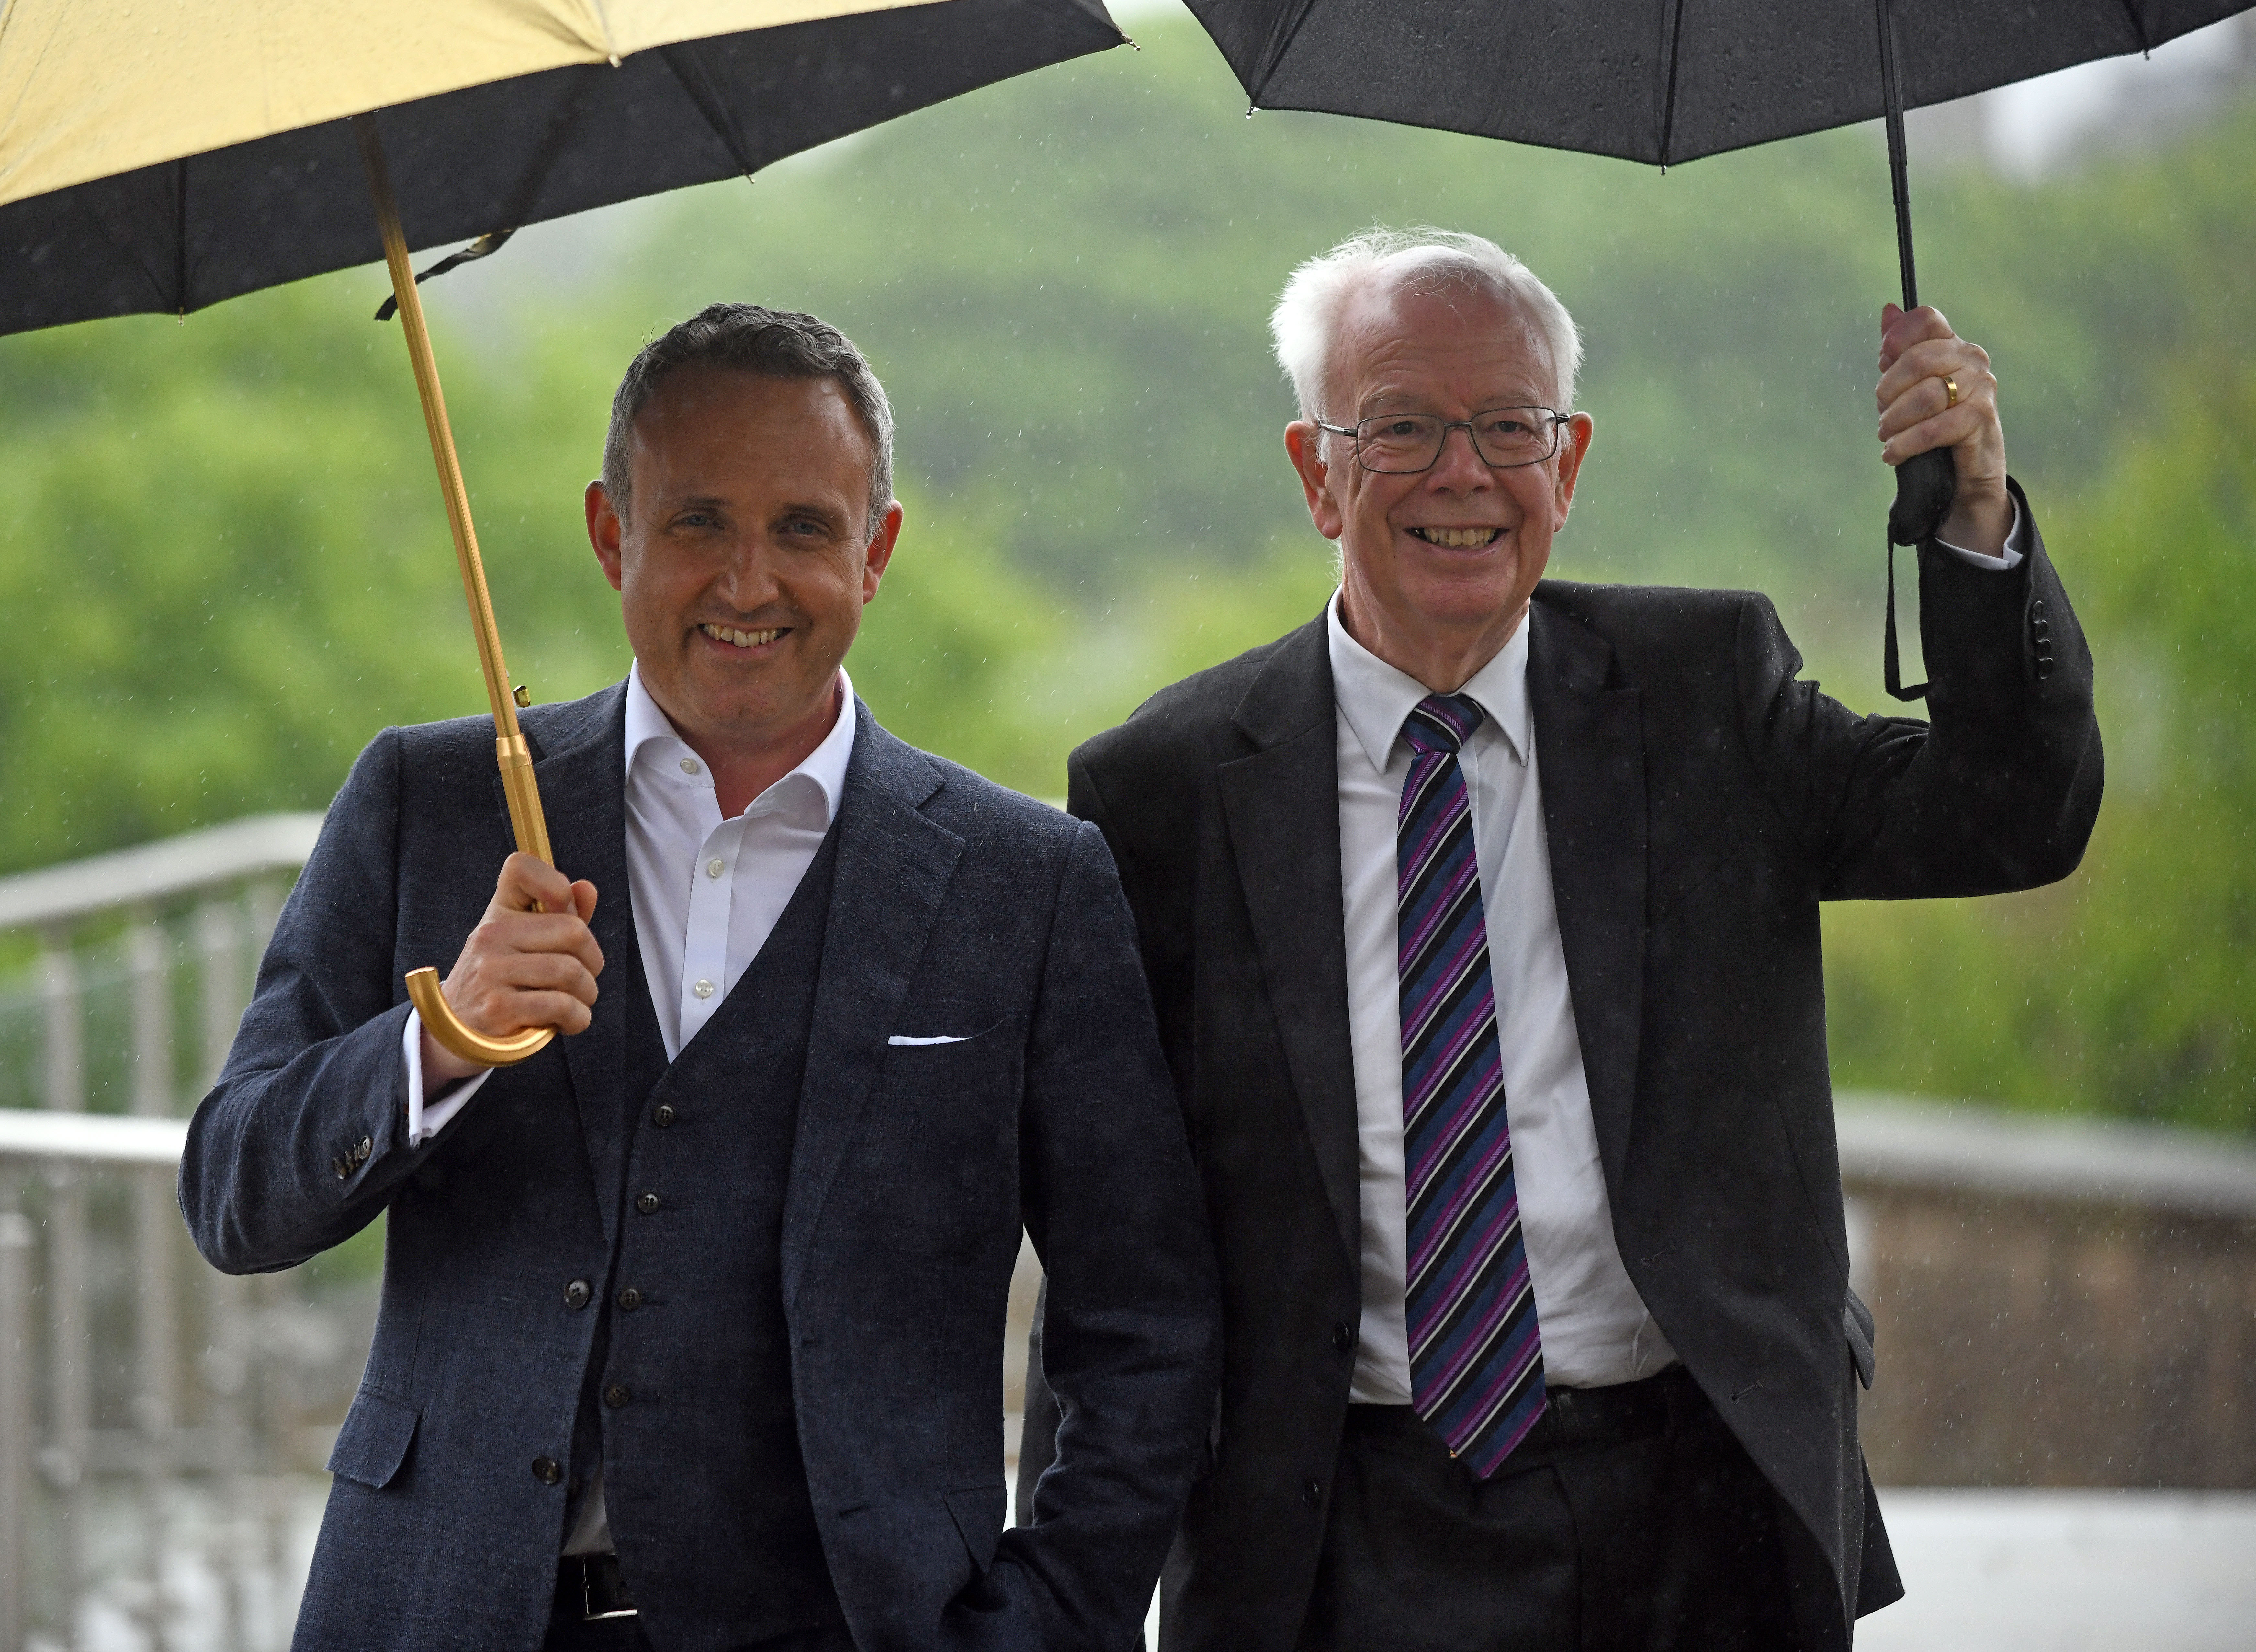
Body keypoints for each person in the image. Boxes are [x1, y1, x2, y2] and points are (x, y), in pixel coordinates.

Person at [1016, 230, 2102, 1650]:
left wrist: (1967, 516)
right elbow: (1114, 1240)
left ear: (1567, 464)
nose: (1461, 474)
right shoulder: (1162, 788)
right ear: (1314, 472)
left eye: (1507, 427)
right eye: (1401, 426)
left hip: (1700, 1503)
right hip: (1340, 1529)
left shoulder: (1701, 693)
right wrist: (1066, 1594)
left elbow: (2007, 819)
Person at [181, 303, 1220, 1652]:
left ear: (878, 549)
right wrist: (438, 1039)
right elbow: (233, 1194)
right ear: (612, 533)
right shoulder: (427, 802)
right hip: (434, 1614)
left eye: (801, 526)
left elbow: (1140, 1323)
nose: (747, 582)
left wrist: (1047, 1621)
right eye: (695, 523)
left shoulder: (1026, 880)